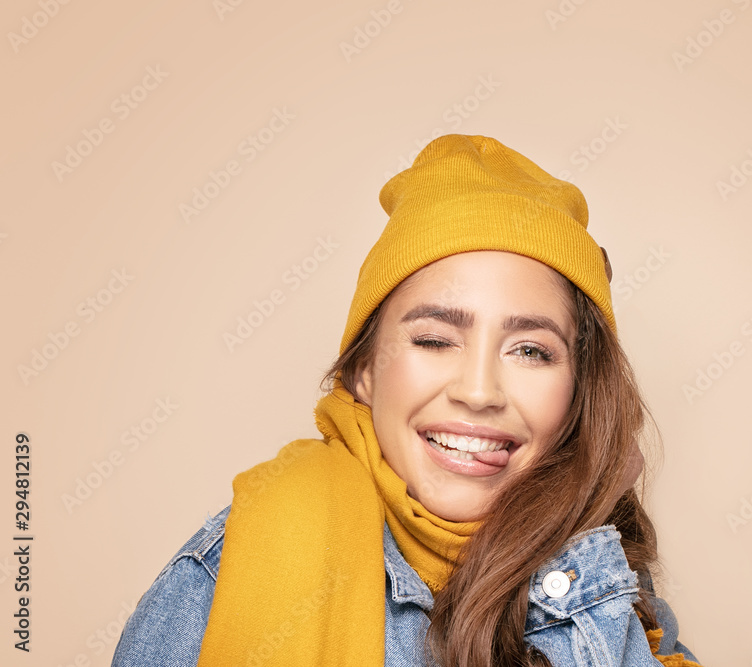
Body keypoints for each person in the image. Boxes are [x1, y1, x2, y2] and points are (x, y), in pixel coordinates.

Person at [111, 134, 701, 666]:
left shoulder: (603, 587)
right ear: (364, 370)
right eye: (434, 340)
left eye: (530, 351)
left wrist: (586, 523)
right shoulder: (223, 574)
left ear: (578, 391)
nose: (478, 392)